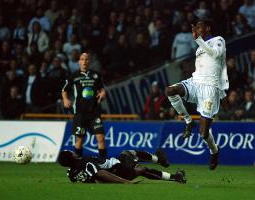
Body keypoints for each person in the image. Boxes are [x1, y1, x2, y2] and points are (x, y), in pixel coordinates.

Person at [166, 19, 229, 170]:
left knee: (203, 133)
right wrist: (199, 41)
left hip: (210, 88)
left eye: (200, 27)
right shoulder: (200, 46)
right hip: (195, 82)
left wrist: (198, 40)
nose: (198, 30)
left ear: (208, 28)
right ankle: (188, 120)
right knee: (170, 90)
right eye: (197, 28)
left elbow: (215, 55)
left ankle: (214, 151)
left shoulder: (218, 40)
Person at [62, 53, 107, 159]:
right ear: (79, 61)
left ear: (89, 61)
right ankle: (77, 163)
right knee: (80, 139)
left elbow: (102, 89)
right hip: (80, 112)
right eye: (82, 59)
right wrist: (65, 99)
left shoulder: (96, 75)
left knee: (100, 138)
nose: (84, 61)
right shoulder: (74, 75)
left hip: (94, 111)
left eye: (86, 59)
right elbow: (64, 89)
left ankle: (104, 163)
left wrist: (103, 93)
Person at [58, 149, 186, 184]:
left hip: (117, 169)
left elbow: (79, 178)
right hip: (118, 168)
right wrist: (124, 182)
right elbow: (100, 174)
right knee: (130, 154)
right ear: (72, 157)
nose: (74, 152)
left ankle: (172, 174)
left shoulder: (71, 173)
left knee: (141, 169)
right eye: (71, 152)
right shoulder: (86, 163)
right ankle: (160, 161)